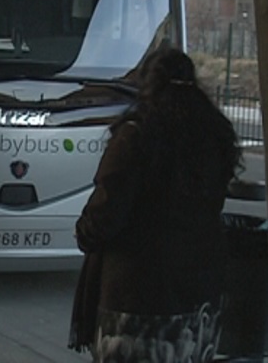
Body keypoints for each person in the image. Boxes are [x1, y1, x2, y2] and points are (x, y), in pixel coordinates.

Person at [69, 48, 242, 361]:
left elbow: (105, 214)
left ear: (147, 84)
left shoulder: (137, 136)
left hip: (139, 295)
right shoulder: (215, 136)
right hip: (201, 290)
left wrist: (85, 233)